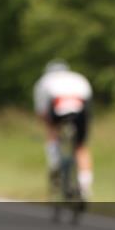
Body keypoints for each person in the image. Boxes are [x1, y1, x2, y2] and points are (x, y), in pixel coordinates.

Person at [33, 60, 94, 200]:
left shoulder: (44, 81)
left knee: (51, 131)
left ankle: (54, 162)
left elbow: (41, 112)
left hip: (57, 105)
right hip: (80, 107)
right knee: (81, 147)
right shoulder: (78, 77)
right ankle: (85, 187)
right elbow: (89, 104)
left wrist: (48, 126)